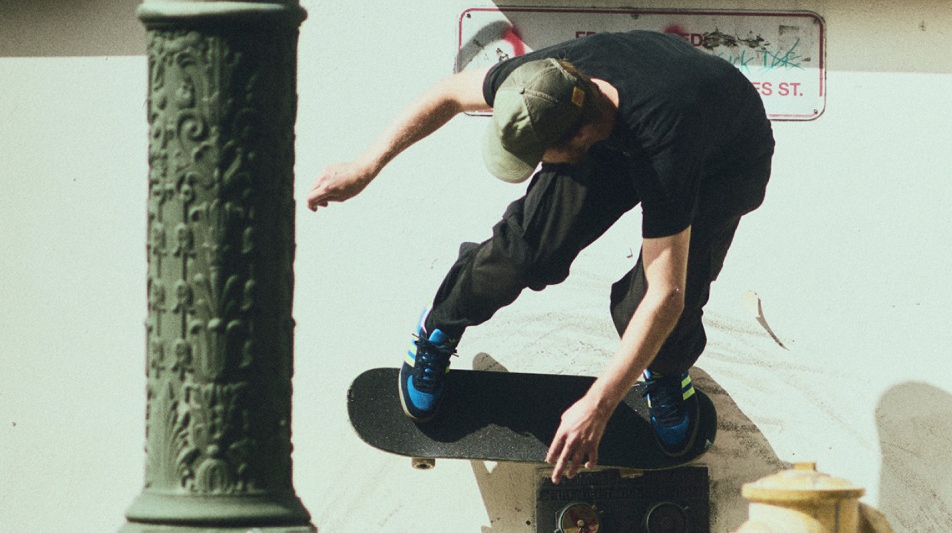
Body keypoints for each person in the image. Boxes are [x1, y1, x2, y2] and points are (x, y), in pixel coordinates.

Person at [306, 30, 774, 483]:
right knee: (524, 252)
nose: (537, 166)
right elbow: (449, 93)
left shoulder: (664, 144)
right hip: (632, 121)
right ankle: (439, 326)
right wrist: (365, 164)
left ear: (581, 136)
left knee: (655, 302)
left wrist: (599, 405)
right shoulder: (546, 84)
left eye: (541, 155)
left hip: (723, 159)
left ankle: (667, 373)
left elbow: (666, 295)